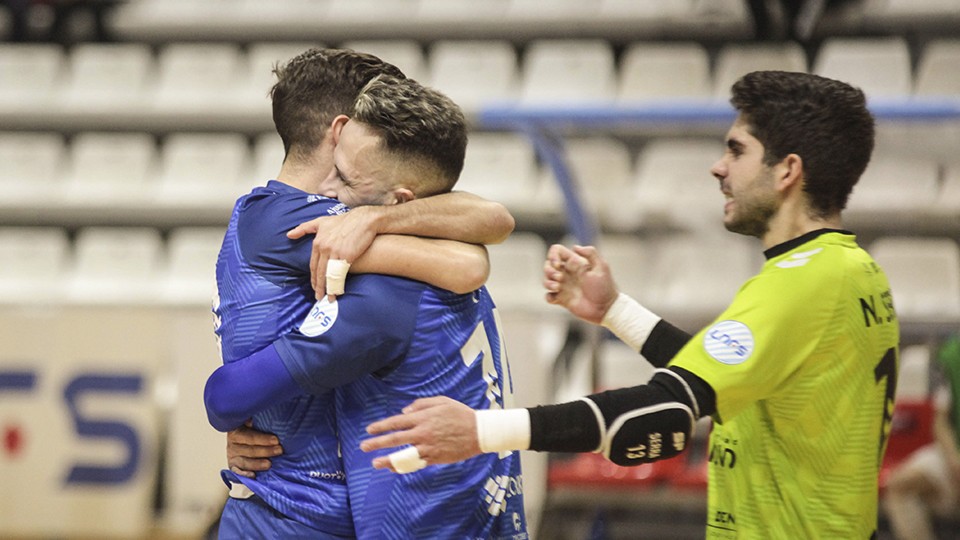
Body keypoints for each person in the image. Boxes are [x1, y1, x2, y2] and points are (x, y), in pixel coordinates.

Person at [361, 70, 901, 538]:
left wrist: (481, 432)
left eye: (737, 150)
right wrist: (615, 310)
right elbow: (721, 379)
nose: (718, 167)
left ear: (787, 171)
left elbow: (661, 410)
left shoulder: (799, 283)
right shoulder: (851, 270)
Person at [208, 48, 515, 539]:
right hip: (290, 514)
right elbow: (466, 260)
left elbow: (492, 218)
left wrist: (378, 217)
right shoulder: (289, 220)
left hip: (340, 509)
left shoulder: (349, 212)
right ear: (344, 129)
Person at [884, 335, 960, 540]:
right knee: (900, 486)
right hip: (952, 453)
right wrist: (954, 462)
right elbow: (940, 421)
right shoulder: (951, 355)